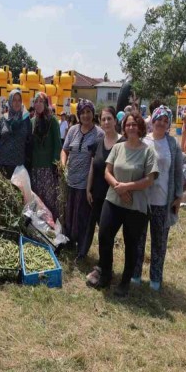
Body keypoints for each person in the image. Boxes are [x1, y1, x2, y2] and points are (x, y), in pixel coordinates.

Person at [86, 111, 158, 297]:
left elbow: (150, 179)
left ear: (140, 127)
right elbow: (107, 172)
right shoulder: (118, 148)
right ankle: (106, 273)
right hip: (114, 199)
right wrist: (118, 186)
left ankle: (125, 282)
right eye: (128, 124)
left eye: (135, 124)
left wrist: (127, 187)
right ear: (124, 127)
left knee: (131, 244)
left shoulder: (148, 151)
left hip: (136, 206)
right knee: (104, 236)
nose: (131, 127)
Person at [132, 106, 183, 291]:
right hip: (142, 200)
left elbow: (178, 172)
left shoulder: (173, 144)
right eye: (158, 119)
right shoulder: (143, 141)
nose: (161, 123)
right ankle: (135, 275)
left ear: (168, 123)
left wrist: (178, 197)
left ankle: (155, 279)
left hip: (162, 201)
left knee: (159, 243)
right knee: (138, 240)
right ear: (152, 121)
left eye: (165, 120)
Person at [61, 100, 104, 252]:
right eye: (82, 112)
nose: (85, 115)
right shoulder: (73, 130)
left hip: (87, 184)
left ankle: (82, 249)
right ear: (78, 114)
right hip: (70, 180)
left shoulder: (99, 134)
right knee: (69, 214)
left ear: (93, 113)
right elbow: (65, 150)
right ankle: (69, 242)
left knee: (84, 217)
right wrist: (62, 164)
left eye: (88, 112)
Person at [83, 106, 121, 261]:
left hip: (114, 196)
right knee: (102, 231)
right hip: (97, 194)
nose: (106, 122)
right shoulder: (98, 143)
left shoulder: (123, 143)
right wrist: (88, 189)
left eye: (109, 119)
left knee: (107, 232)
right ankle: (103, 264)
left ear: (115, 121)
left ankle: (105, 267)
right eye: (103, 119)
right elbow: (93, 167)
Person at [30, 92, 61, 219]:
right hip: (35, 167)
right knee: (37, 199)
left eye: (41, 101)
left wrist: (55, 164)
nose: (38, 104)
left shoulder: (52, 121)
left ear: (46, 104)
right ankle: (39, 227)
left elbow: (57, 144)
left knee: (49, 200)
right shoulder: (32, 121)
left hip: (48, 168)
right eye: (35, 101)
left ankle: (52, 227)